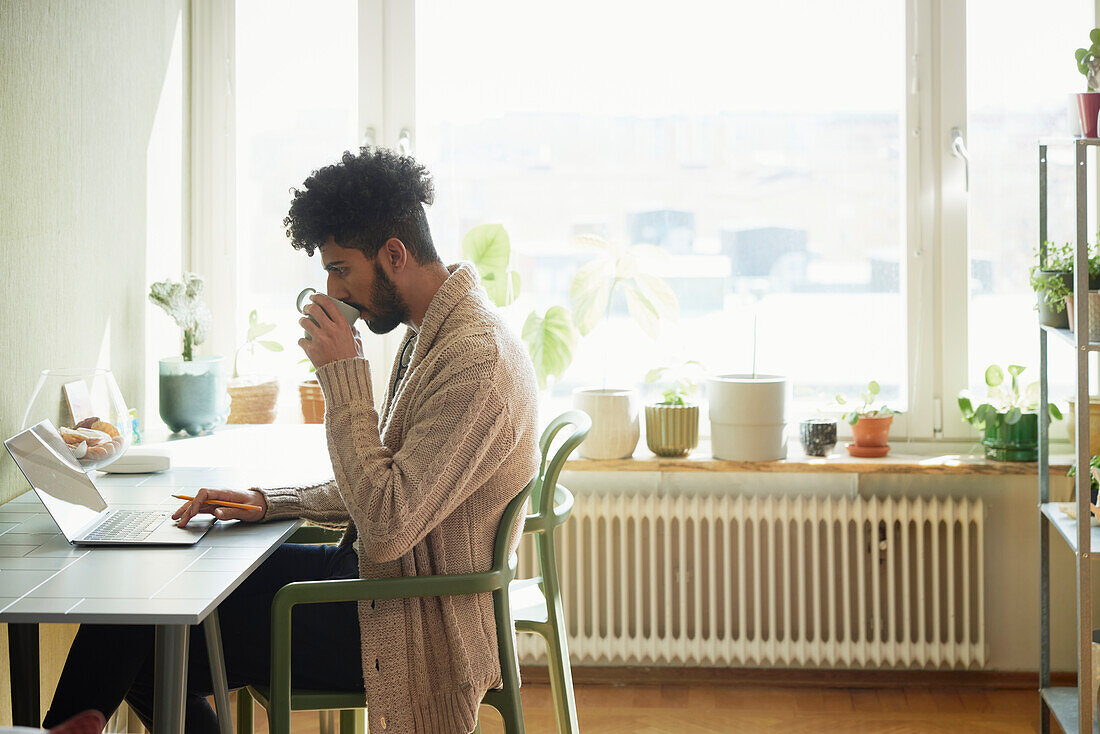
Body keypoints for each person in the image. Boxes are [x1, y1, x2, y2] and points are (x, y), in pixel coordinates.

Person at [44, 148, 540, 734]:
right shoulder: (436, 332)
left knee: (147, 629)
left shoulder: (474, 362)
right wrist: (270, 501)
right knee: (145, 597)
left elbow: (386, 525)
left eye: (340, 269)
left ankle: (64, 725)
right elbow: (387, 483)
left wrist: (343, 381)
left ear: (395, 255)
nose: (332, 290)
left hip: (412, 621)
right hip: (376, 585)